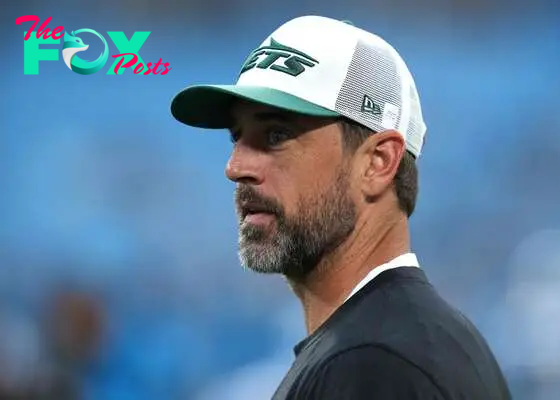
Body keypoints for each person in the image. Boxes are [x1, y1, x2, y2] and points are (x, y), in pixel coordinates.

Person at [171, 15, 511, 400]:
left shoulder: (375, 363)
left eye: (276, 135)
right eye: (237, 138)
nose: (235, 167)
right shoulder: (404, 342)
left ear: (378, 162)